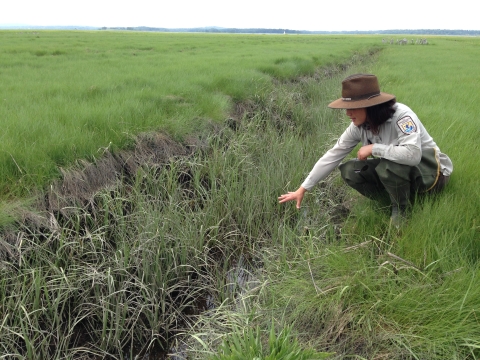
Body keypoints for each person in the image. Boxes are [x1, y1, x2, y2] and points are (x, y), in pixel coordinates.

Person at [278, 73, 453, 226]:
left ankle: (401, 210)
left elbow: (413, 155)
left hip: (432, 173)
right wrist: (303, 188)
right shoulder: (358, 126)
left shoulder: (402, 116)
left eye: (352, 108)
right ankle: (390, 201)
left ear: (371, 106)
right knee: (350, 170)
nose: (347, 113)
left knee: (388, 165)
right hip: (403, 171)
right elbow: (333, 155)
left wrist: (374, 148)